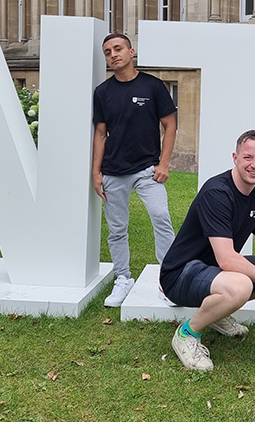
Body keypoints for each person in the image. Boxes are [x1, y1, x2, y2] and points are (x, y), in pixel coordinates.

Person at [160, 130, 255, 371]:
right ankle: (186, 335)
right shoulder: (217, 192)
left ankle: (219, 311)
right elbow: (226, 259)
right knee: (240, 286)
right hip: (181, 273)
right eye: (248, 157)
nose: (254, 165)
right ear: (235, 158)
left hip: (215, 271)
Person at [93, 33, 177, 307]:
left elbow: (170, 125)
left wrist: (164, 164)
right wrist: (96, 172)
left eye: (118, 48)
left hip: (147, 170)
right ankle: (123, 278)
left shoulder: (153, 86)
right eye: (107, 52)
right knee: (117, 229)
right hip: (114, 172)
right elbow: (101, 133)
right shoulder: (103, 92)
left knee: (161, 217)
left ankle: (169, 277)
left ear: (131, 51)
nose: (113, 54)